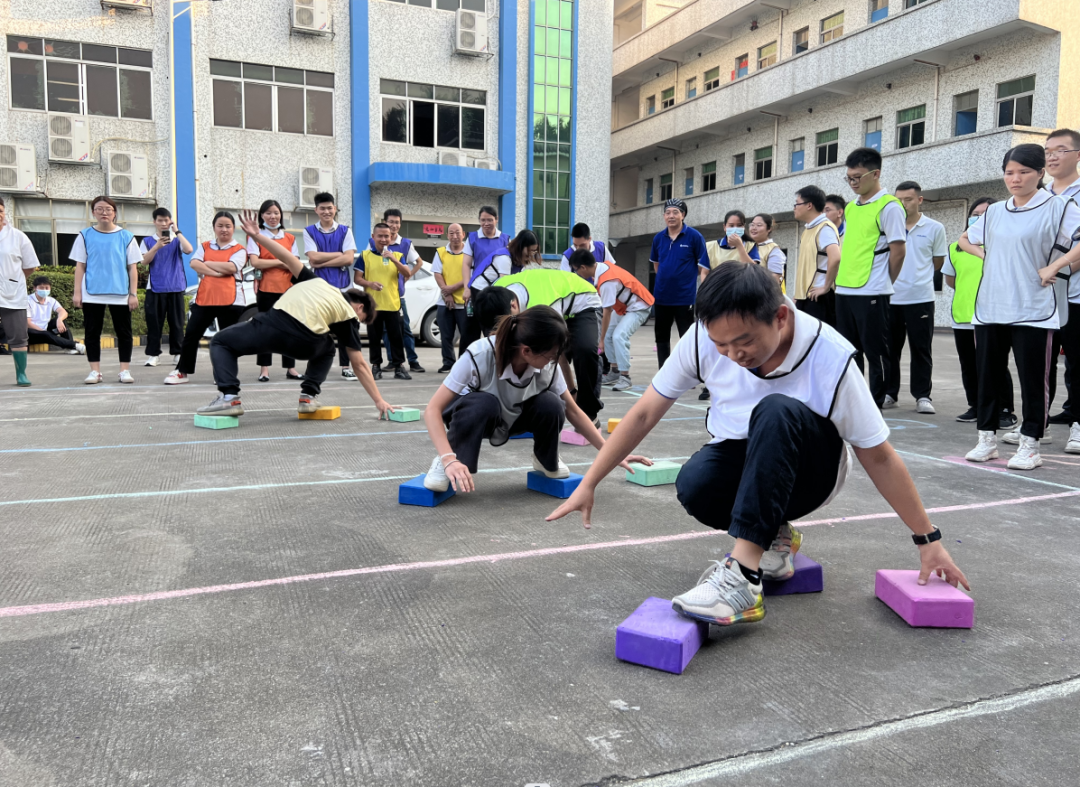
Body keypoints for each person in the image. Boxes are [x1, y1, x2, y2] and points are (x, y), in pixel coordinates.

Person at [547, 262, 970, 628]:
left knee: (775, 410)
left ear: (781, 317)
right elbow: (643, 413)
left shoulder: (830, 356)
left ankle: (742, 579)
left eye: (744, 340)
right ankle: (775, 537)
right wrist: (591, 480)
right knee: (695, 483)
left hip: (812, 473)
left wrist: (927, 538)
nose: (732, 354)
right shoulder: (702, 339)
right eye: (720, 344)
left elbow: (878, 454)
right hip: (748, 462)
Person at [420, 303, 649, 494]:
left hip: (514, 416)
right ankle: (449, 460)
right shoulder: (479, 355)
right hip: (478, 416)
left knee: (552, 403)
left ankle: (545, 459)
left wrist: (612, 452)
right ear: (526, 351)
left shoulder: (547, 367)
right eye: (550, 355)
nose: (554, 361)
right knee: (483, 402)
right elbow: (432, 410)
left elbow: (573, 411)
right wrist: (448, 457)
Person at [196, 210, 394, 420]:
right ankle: (308, 396)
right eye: (362, 320)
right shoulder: (348, 315)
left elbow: (286, 256)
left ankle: (229, 397)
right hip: (304, 343)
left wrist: (257, 236)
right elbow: (360, 364)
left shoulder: (314, 280)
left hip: (271, 327)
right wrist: (378, 400)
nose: (358, 323)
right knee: (327, 347)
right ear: (361, 308)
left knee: (220, 342)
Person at [959, 144, 1080, 469]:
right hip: (990, 306)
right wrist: (988, 256)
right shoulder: (995, 211)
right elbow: (964, 239)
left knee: (1032, 380)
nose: (1015, 178)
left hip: (1034, 308)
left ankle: (1030, 444)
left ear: (1041, 173)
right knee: (988, 377)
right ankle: (987, 439)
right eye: (1009, 172)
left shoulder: (1059, 207)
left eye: (1024, 172)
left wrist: (1055, 266)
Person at [834, 147, 906, 407]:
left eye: (857, 177)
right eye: (849, 178)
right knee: (850, 352)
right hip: (845, 289)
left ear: (876, 174)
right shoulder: (851, 208)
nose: (853, 183)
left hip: (872, 291)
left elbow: (898, 251)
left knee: (876, 354)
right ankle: (854, 401)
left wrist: (884, 282)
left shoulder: (890, 207)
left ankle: (876, 405)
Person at [492, 263, 606, 426]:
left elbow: (556, 354)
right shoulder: (495, 291)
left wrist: (571, 393)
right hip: (551, 297)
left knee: (585, 350)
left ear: (513, 306)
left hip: (582, 301)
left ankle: (589, 412)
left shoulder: (541, 307)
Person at [942, 198, 1016, 425]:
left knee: (995, 364)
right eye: (975, 213)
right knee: (969, 364)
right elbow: (951, 280)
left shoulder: (1004, 243)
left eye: (985, 213)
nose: (979, 216)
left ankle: (1004, 410)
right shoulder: (956, 247)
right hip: (963, 316)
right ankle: (975, 405)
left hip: (993, 315)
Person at [885, 181, 948, 414]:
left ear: (919, 200)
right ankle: (890, 393)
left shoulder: (934, 228)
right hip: (890, 296)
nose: (902, 204)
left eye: (908, 199)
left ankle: (922, 395)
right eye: (898, 199)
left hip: (920, 297)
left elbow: (937, 262)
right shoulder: (887, 227)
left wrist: (917, 277)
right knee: (889, 349)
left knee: (921, 349)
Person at [165, 211, 248, 385]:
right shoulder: (205, 246)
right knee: (192, 335)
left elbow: (232, 267)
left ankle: (225, 375)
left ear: (233, 228)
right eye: (220, 226)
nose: (224, 229)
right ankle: (182, 371)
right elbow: (194, 263)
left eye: (228, 226)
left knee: (227, 340)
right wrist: (216, 273)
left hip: (231, 300)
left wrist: (207, 264)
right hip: (206, 298)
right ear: (214, 228)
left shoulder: (240, 249)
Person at [71, 195, 142, 385]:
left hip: (120, 293)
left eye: (108, 209)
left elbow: (132, 268)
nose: (104, 212)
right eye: (100, 209)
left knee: (124, 332)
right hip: (92, 293)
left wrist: (133, 294)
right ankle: (95, 372)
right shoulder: (84, 235)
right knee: (92, 332)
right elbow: (80, 266)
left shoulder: (126, 236)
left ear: (114, 213)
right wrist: (77, 292)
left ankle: (124, 370)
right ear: (93, 212)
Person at [571, 250, 653, 392]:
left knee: (618, 336)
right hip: (626, 307)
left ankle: (625, 377)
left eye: (576, 270)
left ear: (583, 267)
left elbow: (607, 312)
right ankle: (614, 372)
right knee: (610, 333)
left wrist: (601, 340)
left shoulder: (607, 281)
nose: (577, 274)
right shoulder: (602, 268)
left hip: (640, 307)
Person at [1043, 129, 1080, 427]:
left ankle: (1078, 423)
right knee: (1040, 362)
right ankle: (1035, 420)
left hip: (1075, 293)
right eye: (1048, 150)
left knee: (1077, 361)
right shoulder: (1038, 195)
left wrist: (1061, 269)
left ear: (1078, 155)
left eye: (1060, 150)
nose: (1052, 156)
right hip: (1042, 295)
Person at [303, 192, 358, 380]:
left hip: (342, 288)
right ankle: (315, 369)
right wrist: (338, 255)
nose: (327, 211)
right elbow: (313, 257)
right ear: (316, 210)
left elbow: (349, 258)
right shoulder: (309, 231)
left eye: (330, 208)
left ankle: (345, 367)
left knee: (345, 330)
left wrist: (321, 262)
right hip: (319, 289)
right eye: (322, 208)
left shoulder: (345, 230)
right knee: (317, 330)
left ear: (335, 208)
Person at [247, 199, 302, 383]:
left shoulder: (290, 238)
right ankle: (264, 369)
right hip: (266, 289)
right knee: (265, 329)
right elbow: (255, 262)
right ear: (262, 216)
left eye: (276, 213)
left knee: (290, 328)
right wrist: (280, 262)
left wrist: (275, 263)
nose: (273, 216)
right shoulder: (256, 237)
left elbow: (295, 264)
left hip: (288, 289)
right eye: (269, 213)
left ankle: (291, 368)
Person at [652, 198, 708, 372]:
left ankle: (688, 371)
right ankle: (664, 370)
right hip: (661, 296)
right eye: (668, 213)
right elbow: (656, 265)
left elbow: (702, 265)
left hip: (685, 297)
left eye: (675, 212)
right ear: (664, 216)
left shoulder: (694, 236)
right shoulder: (658, 238)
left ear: (683, 215)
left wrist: (685, 277)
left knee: (687, 336)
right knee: (661, 337)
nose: (671, 216)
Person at [354, 223, 412, 381]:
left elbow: (407, 273)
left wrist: (393, 258)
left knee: (396, 337)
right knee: (374, 337)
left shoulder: (398, 256)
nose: (383, 239)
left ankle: (399, 366)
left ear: (392, 237)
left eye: (387, 236)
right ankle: (376, 366)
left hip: (393, 304)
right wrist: (370, 284)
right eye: (380, 236)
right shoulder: (365, 256)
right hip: (373, 305)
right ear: (373, 237)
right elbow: (357, 278)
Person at [140, 207, 191, 368]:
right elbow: (143, 262)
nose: (163, 223)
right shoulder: (147, 241)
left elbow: (189, 250)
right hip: (155, 287)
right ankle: (154, 355)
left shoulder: (176, 240)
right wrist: (157, 247)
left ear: (170, 222)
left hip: (175, 286)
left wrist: (177, 231)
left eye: (166, 220)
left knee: (177, 323)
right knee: (154, 323)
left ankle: (177, 354)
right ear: (154, 222)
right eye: (160, 220)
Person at [0, 196, 40, 386]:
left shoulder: (17, 236)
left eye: (0, 210)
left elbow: (30, 265)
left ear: (4, 212)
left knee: (18, 335)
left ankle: (21, 374)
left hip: (12, 293)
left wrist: (14, 280)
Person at [379, 208, 425, 374]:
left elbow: (418, 262)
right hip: (381, 295)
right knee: (386, 330)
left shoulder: (405, 243)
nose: (394, 225)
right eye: (391, 222)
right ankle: (392, 361)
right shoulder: (375, 242)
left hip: (398, 295)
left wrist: (408, 275)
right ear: (385, 222)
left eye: (397, 222)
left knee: (404, 328)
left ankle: (413, 361)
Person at [460, 205, 511, 347]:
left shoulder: (505, 240)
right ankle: (466, 366)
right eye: (483, 220)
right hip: (477, 290)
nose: (486, 223)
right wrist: (466, 287)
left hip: (497, 293)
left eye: (489, 220)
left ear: (496, 220)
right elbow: (466, 264)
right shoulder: (473, 238)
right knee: (470, 330)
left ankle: (495, 363)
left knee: (494, 330)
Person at [792, 185, 841, 327]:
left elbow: (836, 257)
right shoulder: (808, 229)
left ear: (809, 205)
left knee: (818, 342)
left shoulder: (824, 227)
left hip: (819, 298)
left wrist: (825, 287)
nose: (794, 207)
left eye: (797, 203)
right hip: (806, 297)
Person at [432, 223, 468, 372]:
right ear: (447, 235)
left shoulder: (469, 252)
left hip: (465, 301)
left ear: (463, 234)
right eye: (451, 233)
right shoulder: (441, 252)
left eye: (457, 233)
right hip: (445, 302)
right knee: (446, 335)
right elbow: (437, 273)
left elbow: (470, 275)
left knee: (466, 336)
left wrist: (452, 289)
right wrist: (447, 294)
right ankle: (448, 363)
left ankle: (464, 365)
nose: (455, 236)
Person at [467, 229, 541, 293]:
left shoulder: (518, 258)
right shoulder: (504, 258)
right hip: (480, 289)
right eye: (530, 250)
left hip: (492, 289)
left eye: (534, 251)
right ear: (520, 246)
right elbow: (505, 285)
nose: (532, 254)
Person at [26, 276, 85, 355]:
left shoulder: (50, 300)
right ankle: (74, 345)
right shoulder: (28, 301)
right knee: (46, 334)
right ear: (35, 288)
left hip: (45, 330)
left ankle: (69, 348)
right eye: (41, 288)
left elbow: (63, 311)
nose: (44, 290)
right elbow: (28, 323)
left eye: (47, 288)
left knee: (62, 321)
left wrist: (59, 320)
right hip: (31, 333)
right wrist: (44, 332)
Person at [701, 211, 748, 281]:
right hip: (718, 289)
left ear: (744, 226)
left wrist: (740, 246)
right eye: (731, 226)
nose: (735, 229)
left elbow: (753, 269)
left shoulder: (751, 245)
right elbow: (704, 272)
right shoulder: (711, 246)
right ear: (724, 227)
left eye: (739, 225)